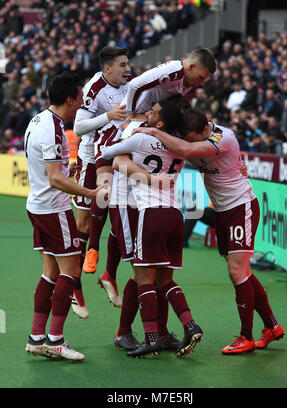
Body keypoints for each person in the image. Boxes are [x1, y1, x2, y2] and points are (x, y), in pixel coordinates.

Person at [134, 109, 284, 355]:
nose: (191, 142)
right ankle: (271, 326)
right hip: (223, 210)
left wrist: (152, 131)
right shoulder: (196, 137)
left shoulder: (224, 137)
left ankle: (246, 336)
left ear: (205, 131)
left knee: (237, 271)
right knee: (242, 270)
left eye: (194, 138)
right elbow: (186, 151)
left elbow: (189, 151)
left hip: (240, 206)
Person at [101, 100, 203, 358]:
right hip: (174, 214)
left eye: (154, 112)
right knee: (164, 279)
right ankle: (189, 325)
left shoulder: (139, 136)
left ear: (160, 122)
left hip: (148, 211)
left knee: (143, 277)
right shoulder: (181, 149)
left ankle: (152, 337)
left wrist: (130, 130)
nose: (148, 112)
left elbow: (108, 155)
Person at [24, 72, 105, 361]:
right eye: (81, 98)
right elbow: (55, 180)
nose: (83, 103)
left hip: (37, 205)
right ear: (70, 99)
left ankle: (36, 338)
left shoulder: (38, 120)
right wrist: (90, 192)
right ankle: (55, 340)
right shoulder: (55, 128)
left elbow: (51, 171)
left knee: (51, 273)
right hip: (53, 209)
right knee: (71, 272)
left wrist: (64, 172)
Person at [71, 46, 130, 316]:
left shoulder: (130, 85)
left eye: (127, 64)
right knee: (84, 224)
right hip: (90, 160)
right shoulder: (93, 88)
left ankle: (109, 275)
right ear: (107, 68)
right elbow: (78, 128)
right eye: (122, 65)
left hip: (117, 156)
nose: (127, 69)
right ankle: (74, 286)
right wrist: (108, 116)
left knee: (118, 216)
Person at [125, 47, 216, 115]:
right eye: (201, 77)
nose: (201, 83)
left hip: (145, 115)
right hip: (129, 113)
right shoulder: (172, 71)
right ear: (191, 67)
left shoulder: (188, 80)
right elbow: (134, 85)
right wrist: (131, 114)